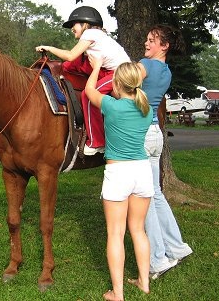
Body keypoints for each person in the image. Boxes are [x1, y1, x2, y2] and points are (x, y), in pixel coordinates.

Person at [85, 57, 154, 300]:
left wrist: (95, 68)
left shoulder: (111, 106)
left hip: (118, 173)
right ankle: (144, 282)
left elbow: (88, 90)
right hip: (142, 172)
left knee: (115, 233)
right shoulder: (148, 110)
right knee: (138, 230)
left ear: (116, 84)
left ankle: (118, 293)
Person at [137, 24, 193, 279]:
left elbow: (123, 84)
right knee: (156, 194)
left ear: (164, 45)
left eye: (152, 40)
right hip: (155, 135)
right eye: (147, 40)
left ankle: (158, 259)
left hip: (140, 135)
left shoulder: (145, 66)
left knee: (144, 198)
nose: (146, 43)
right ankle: (177, 246)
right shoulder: (166, 72)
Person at [36, 5, 130, 155]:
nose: (72, 28)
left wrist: (49, 48)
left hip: (120, 74)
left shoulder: (91, 33)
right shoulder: (97, 38)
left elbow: (70, 55)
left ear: (85, 23)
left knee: (88, 95)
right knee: (69, 66)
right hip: (109, 70)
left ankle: (97, 142)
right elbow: (72, 62)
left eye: (74, 24)